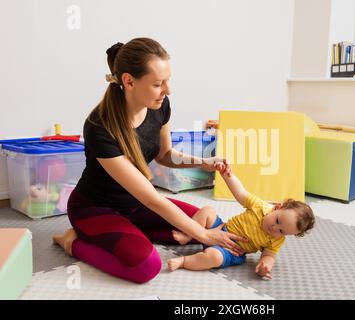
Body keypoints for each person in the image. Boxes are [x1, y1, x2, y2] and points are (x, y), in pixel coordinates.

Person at [53, 38, 247, 284]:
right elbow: (151, 197)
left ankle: (133, 232)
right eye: (158, 84)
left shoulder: (159, 105)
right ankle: (73, 241)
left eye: (167, 81)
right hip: (96, 209)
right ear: (129, 81)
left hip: (135, 206)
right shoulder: (99, 126)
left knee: (211, 224)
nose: (168, 90)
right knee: (146, 266)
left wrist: (203, 162)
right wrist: (204, 237)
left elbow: (165, 155)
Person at [167, 162, 315, 279]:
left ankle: (184, 261)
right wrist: (226, 175)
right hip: (220, 229)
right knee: (207, 211)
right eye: (277, 220)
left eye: (282, 231)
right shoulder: (259, 206)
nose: (275, 228)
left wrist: (265, 265)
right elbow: (240, 192)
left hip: (230, 250)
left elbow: (269, 255)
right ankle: (188, 235)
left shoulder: (276, 240)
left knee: (214, 258)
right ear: (277, 208)